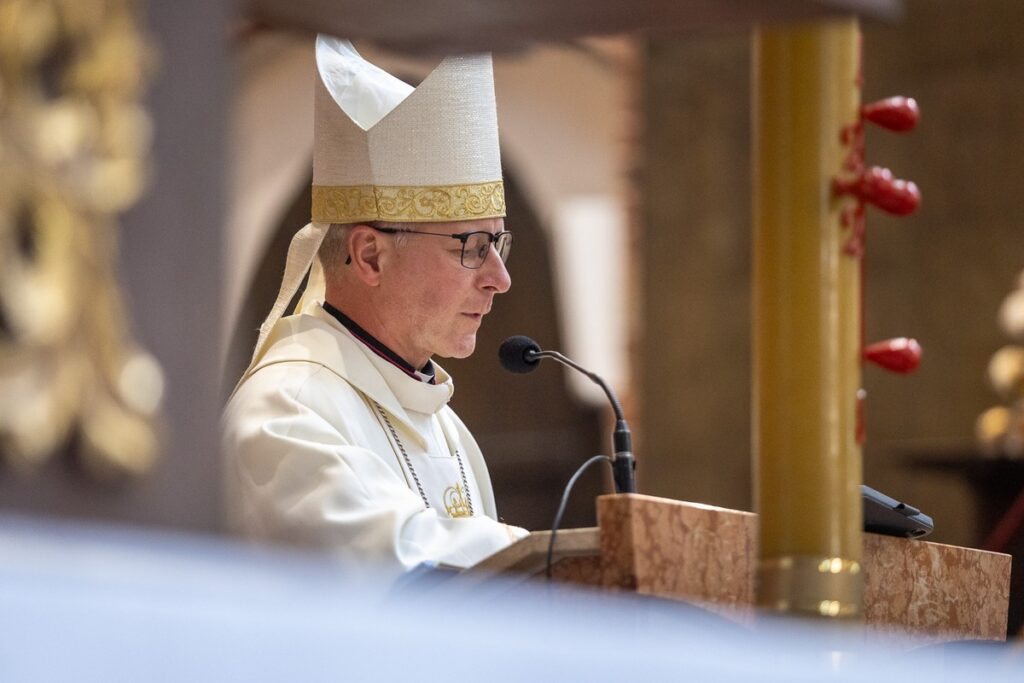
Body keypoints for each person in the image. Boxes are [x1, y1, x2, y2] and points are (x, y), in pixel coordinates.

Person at [222, 36, 526, 577]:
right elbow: (397, 570)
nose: (499, 279)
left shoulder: (448, 430)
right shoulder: (284, 411)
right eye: (472, 246)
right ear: (370, 255)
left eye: (498, 244)